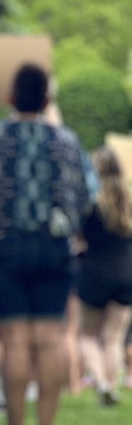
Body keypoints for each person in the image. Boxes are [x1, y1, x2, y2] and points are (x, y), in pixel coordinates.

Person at [0, 63, 95, 425]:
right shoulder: (67, 141)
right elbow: (88, 194)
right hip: (54, 247)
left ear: (10, 97)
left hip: (2, 246)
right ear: (46, 100)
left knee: (16, 342)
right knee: (51, 340)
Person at [77, 147, 132, 406]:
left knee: (86, 335)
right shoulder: (129, 200)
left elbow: (79, 237)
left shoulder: (92, 202)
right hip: (126, 272)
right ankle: (112, 385)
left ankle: (101, 383)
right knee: (114, 337)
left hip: (95, 271)